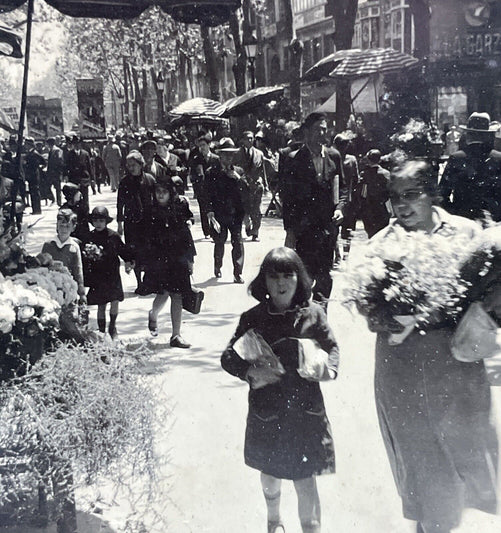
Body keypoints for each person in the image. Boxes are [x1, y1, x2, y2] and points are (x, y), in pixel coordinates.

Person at [366, 160, 498, 533]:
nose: (402, 206)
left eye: (411, 195)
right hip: (403, 365)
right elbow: (370, 311)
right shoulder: (382, 244)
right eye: (395, 198)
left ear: (433, 194)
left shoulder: (466, 233)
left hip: (457, 365)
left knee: (463, 467)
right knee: (423, 469)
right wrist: (395, 318)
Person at [221, 247, 339, 533]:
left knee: (305, 478)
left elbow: (332, 349)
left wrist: (327, 368)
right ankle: (274, 519)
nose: (282, 283)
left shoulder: (314, 315)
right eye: (274, 277)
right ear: (264, 282)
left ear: (300, 279)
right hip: (268, 410)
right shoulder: (253, 317)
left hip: (305, 412)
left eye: (289, 275)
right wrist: (249, 372)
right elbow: (228, 356)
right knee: (271, 475)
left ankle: (311, 528)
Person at [281, 112, 346, 305]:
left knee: (325, 275)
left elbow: (342, 187)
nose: (322, 134)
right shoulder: (293, 159)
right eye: (318, 129)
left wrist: (340, 208)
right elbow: (288, 198)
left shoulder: (334, 156)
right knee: (304, 275)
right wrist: (290, 231)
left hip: (328, 228)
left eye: (324, 130)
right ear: (307, 132)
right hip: (304, 230)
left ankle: (320, 315)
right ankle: (302, 311)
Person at [143, 178, 195, 349]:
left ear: (170, 193)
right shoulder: (150, 211)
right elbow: (146, 239)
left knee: (177, 294)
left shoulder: (179, 208)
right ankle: (153, 314)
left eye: (164, 191)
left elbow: (186, 236)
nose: (160, 195)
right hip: (159, 259)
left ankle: (176, 335)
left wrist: (190, 259)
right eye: (158, 191)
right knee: (163, 293)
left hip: (178, 257)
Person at [83, 206, 134, 340]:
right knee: (101, 303)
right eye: (95, 220)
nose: (98, 223)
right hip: (98, 275)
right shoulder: (90, 237)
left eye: (101, 220)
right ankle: (101, 330)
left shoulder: (113, 236)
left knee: (115, 300)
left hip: (112, 273)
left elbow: (123, 251)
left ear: (106, 221)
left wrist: (129, 261)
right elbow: (84, 256)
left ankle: (112, 326)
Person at [439, 112, 501, 222]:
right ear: (487, 135)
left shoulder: (456, 158)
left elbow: (443, 194)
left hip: (462, 219)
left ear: (468, 135)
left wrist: (454, 215)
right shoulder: (498, 159)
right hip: (494, 221)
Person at [203, 137, 249, 283]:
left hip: (235, 214)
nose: (228, 157)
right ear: (220, 155)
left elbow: (247, 190)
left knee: (238, 242)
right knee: (219, 242)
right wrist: (209, 211)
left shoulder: (239, 172)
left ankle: (238, 272)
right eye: (225, 154)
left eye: (231, 154)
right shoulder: (211, 172)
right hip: (219, 214)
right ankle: (218, 266)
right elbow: (206, 194)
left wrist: (237, 178)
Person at [116, 151, 156, 291]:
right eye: (128, 165)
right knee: (134, 252)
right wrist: (120, 224)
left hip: (148, 221)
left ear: (140, 164)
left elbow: (156, 200)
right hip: (131, 222)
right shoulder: (125, 182)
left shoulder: (150, 179)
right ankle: (139, 283)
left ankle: (148, 282)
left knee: (149, 250)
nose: (131, 168)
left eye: (133, 165)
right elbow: (119, 204)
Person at [41, 208, 86, 305]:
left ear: (73, 228)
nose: (64, 229)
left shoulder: (74, 247)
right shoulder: (49, 245)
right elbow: (41, 267)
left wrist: (82, 293)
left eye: (67, 226)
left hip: (68, 287)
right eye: (61, 226)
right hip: (50, 285)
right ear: (57, 226)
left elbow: (78, 270)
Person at [235, 130, 266, 241]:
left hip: (256, 185)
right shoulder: (237, 154)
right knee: (245, 209)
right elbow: (235, 170)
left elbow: (263, 170)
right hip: (242, 186)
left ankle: (255, 232)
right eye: (247, 138)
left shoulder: (259, 153)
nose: (250, 140)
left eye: (251, 138)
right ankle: (247, 225)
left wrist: (264, 184)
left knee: (256, 210)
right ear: (242, 141)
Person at [333, 133, 359, 258]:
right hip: (333, 198)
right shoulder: (331, 158)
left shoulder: (352, 160)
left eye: (345, 145)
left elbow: (356, 178)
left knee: (347, 228)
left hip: (348, 199)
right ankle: (337, 254)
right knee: (333, 229)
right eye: (342, 145)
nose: (344, 147)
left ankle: (345, 255)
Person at [188, 133, 219, 238]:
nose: (202, 148)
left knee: (214, 208)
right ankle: (207, 231)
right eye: (200, 146)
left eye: (204, 145)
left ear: (209, 145)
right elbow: (192, 174)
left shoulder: (216, 158)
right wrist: (196, 185)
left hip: (214, 189)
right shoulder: (196, 159)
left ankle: (214, 229)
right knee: (203, 208)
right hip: (202, 189)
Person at [358, 148, 391, 238]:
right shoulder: (386, 174)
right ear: (380, 159)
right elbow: (390, 193)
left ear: (368, 160)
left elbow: (363, 194)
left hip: (369, 210)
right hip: (382, 209)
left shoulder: (364, 174)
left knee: (372, 235)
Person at [65, 135, 93, 211]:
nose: (77, 145)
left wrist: (92, 179)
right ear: (72, 145)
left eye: (78, 143)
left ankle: (86, 215)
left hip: (84, 179)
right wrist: (66, 176)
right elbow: (66, 166)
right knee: (75, 199)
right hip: (74, 180)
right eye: (75, 144)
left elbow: (89, 167)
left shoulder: (85, 154)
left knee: (85, 199)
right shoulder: (69, 154)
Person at [24, 137, 45, 215]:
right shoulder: (29, 153)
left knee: (35, 192)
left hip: (34, 175)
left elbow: (43, 161)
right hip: (30, 176)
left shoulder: (35, 153)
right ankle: (35, 209)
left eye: (26, 144)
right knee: (32, 192)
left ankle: (37, 210)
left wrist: (39, 168)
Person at [46, 137, 64, 206]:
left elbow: (60, 161)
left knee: (58, 188)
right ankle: (52, 199)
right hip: (51, 173)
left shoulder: (57, 150)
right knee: (47, 186)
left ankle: (59, 202)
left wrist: (59, 171)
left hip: (56, 172)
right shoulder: (51, 150)